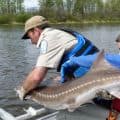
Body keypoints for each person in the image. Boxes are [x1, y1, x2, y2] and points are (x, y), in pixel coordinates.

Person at [17, 15, 99, 100]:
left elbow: (36, 77)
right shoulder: (58, 33)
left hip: (94, 80)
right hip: (94, 72)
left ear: (36, 30)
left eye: (29, 36)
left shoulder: (48, 38)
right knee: (56, 80)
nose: (31, 41)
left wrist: (23, 90)